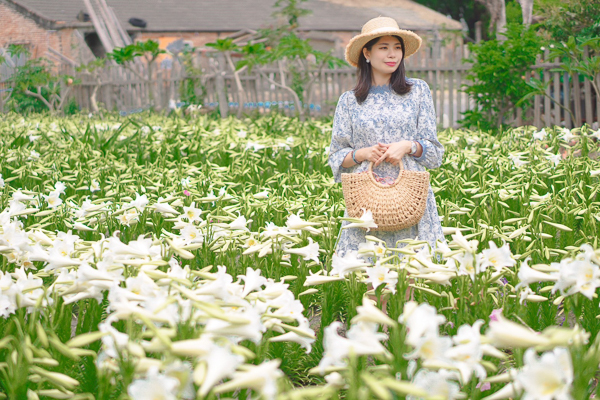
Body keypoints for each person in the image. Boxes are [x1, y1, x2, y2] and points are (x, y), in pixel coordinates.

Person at [328, 16, 446, 258]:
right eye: (384, 47)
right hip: (366, 205)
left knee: (412, 282)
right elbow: (336, 158)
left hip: (410, 201)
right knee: (372, 283)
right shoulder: (349, 101)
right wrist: (362, 153)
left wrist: (409, 146)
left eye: (397, 48)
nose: (392, 54)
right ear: (367, 54)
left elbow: (434, 154)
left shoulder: (418, 91)